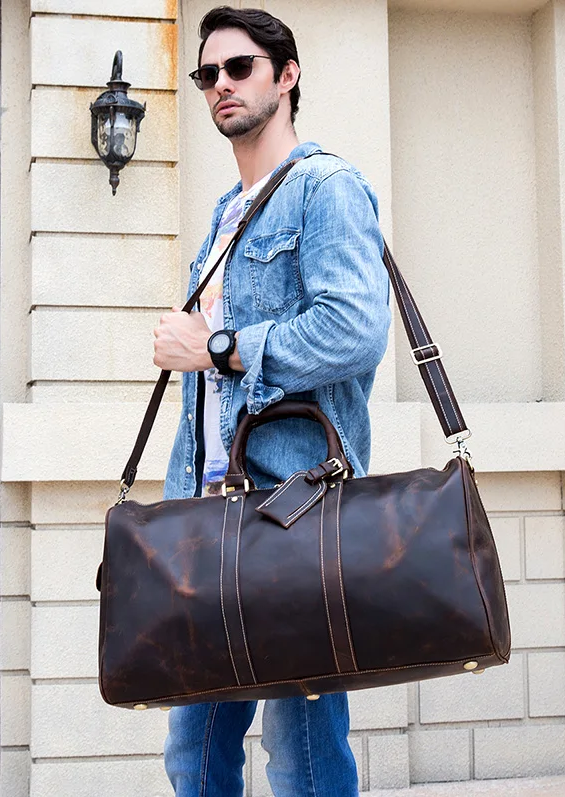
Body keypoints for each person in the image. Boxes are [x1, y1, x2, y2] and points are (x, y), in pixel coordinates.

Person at [151, 6, 391, 795]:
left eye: (239, 67)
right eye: (207, 74)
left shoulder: (326, 188)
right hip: (209, 521)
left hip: (294, 516)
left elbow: (354, 329)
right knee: (194, 748)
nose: (220, 84)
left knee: (302, 753)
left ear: (286, 76)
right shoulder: (227, 215)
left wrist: (219, 346)